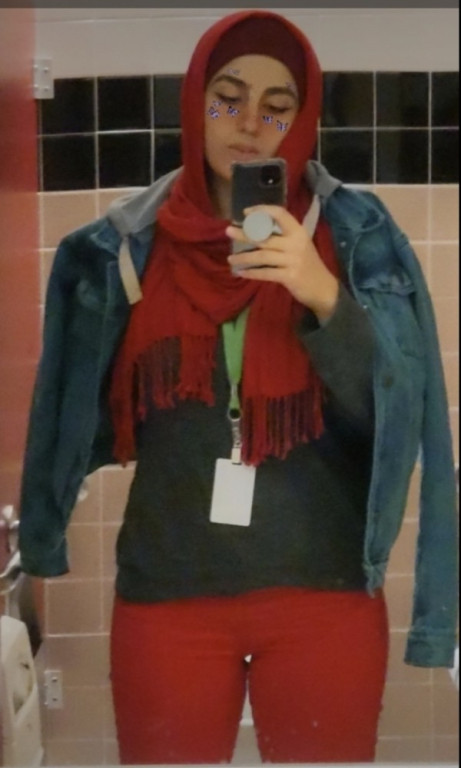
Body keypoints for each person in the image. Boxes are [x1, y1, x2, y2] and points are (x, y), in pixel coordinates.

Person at [18, 9, 458, 765]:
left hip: (323, 593)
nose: (250, 123)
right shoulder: (121, 248)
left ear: (302, 121)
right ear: (195, 103)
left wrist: (324, 298)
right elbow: (62, 408)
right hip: (169, 592)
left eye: (277, 107)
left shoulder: (356, 238)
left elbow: (399, 421)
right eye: (226, 98)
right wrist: (41, 534)